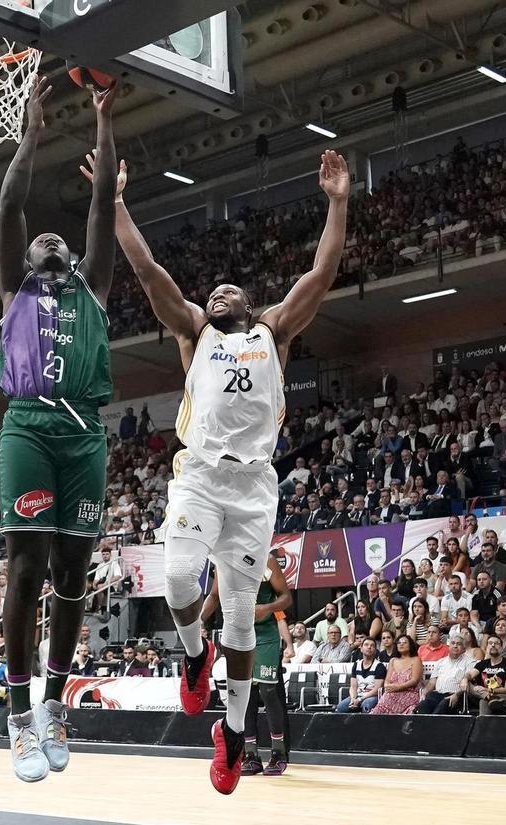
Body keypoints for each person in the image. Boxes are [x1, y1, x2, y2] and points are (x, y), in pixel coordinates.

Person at [101, 145, 348, 794]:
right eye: (211, 290)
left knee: (241, 616)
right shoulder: (192, 332)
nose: (217, 292)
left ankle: (233, 735)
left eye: (228, 289)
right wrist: (119, 202)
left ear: (246, 301)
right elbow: (149, 269)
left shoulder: (273, 332)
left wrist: (339, 203)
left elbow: (321, 275)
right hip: (201, 475)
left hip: (254, 485)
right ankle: (191, 654)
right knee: (180, 575)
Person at [0, 77, 119, 783]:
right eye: (41, 237)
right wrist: (31, 133)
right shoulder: (15, 286)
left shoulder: (94, 286)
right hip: (29, 427)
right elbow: (12, 201)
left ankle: (53, 704)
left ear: (71, 258)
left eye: (57, 237)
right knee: (27, 566)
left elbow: (102, 202)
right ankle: (16, 718)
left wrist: (102, 121)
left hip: (85, 434)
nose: (48, 236)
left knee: (73, 574)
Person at [204, 559, 293, 777]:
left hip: (264, 635)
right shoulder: (223, 561)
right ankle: (251, 755)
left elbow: (286, 598)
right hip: (238, 633)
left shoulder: (268, 561)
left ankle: (279, 753)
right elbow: (214, 596)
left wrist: (268, 608)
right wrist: (198, 620)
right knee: (245, 695)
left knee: (268, 691)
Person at [415, 633, 473, 714]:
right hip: (437, 694)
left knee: (440, 710)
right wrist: (424, 693)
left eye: (459, 644)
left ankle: (431, 726)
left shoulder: (469, 662)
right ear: (448, 646)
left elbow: (468, 683)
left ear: (464, 649)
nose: (455, 646)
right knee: (423, 706)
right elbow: (432, 683)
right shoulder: (441, 662)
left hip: (455, 695)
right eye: (453, 643)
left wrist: (457, 694)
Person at [464, 635, 506, 715]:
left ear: (501, 648)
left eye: (496, 643)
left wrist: (489, 690)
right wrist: (465, 679)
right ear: (486, 647)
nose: (493, 645)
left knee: (484, 701)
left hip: (502, 696)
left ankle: (483, 725)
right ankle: (488, 696)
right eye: (490, 643)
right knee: (466, 682)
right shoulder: (482, 664)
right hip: (481, 694)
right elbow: (470, 674)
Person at [371, 634, 423, 715]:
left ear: (410, 645)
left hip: (409, 693)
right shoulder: (393, 660)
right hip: (392, 692)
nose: (401, 644)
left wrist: (398, 687)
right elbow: (386, 682)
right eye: (399, 643)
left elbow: (414, 680)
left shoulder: (416, 660)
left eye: (405, 642)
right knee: (382, 703)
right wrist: (388, 687)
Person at [336, 638, 386, 713]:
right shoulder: (356, 665)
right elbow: (353, 687)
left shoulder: (379, 666)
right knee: (341, 707)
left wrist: (359, 700)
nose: (369, 647)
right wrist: (353, 699)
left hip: (372, 696)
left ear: (375, 650)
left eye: (372, 645)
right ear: (361, 648)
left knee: (366, 706)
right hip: (358, 695)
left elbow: (376, 690)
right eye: (366, 645)